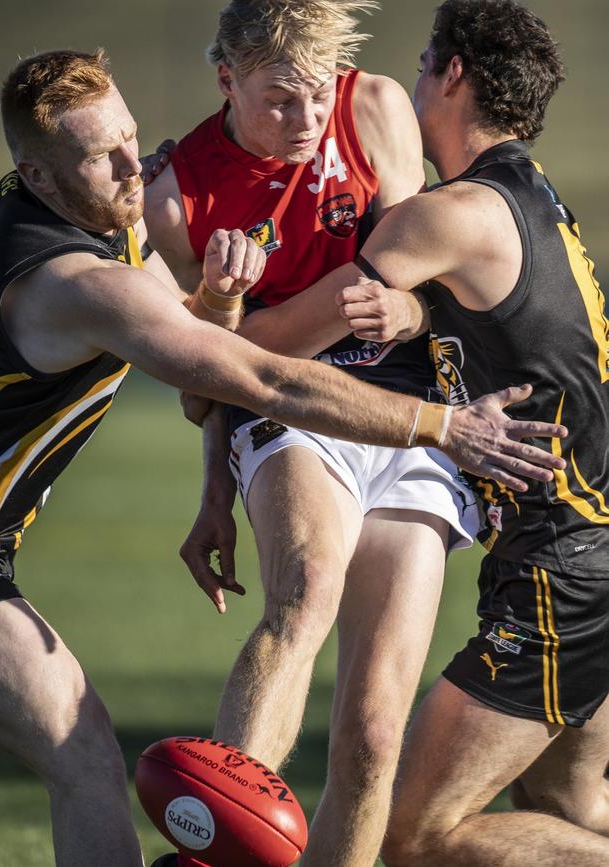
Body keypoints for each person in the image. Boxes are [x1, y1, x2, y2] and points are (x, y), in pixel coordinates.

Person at [0, 47, 564, 867]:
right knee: (85, 757)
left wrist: (215, 298)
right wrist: (443, 427)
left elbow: (200, 335)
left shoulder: (84, 202)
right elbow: (261, 377)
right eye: (105, 157)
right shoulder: (72, 281)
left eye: (132, 135)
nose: (138, 165)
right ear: (34, 173)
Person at [141, 1, 501, 863]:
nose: (306, 120)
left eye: (316, 95)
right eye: (278, 100)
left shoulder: (374, 107)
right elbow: (208, 384)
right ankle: (217, 854)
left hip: (411, 421)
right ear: (226, 78)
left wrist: (408, 308)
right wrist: (216, 484)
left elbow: (430, 286)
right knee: (304, 593)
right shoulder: (177, 192)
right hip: (294, 408)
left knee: (378, 728)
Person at [262, 1, 607, 864]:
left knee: (415, 840)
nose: (410, 82)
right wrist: (415, 312)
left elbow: (268, 348)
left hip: (563, 572)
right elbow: (458, 311)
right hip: (584, 550)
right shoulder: (531, 200)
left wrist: (185, 298)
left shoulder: (441, 215)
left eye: (423, 63)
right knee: (570, 804)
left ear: (455, 74)